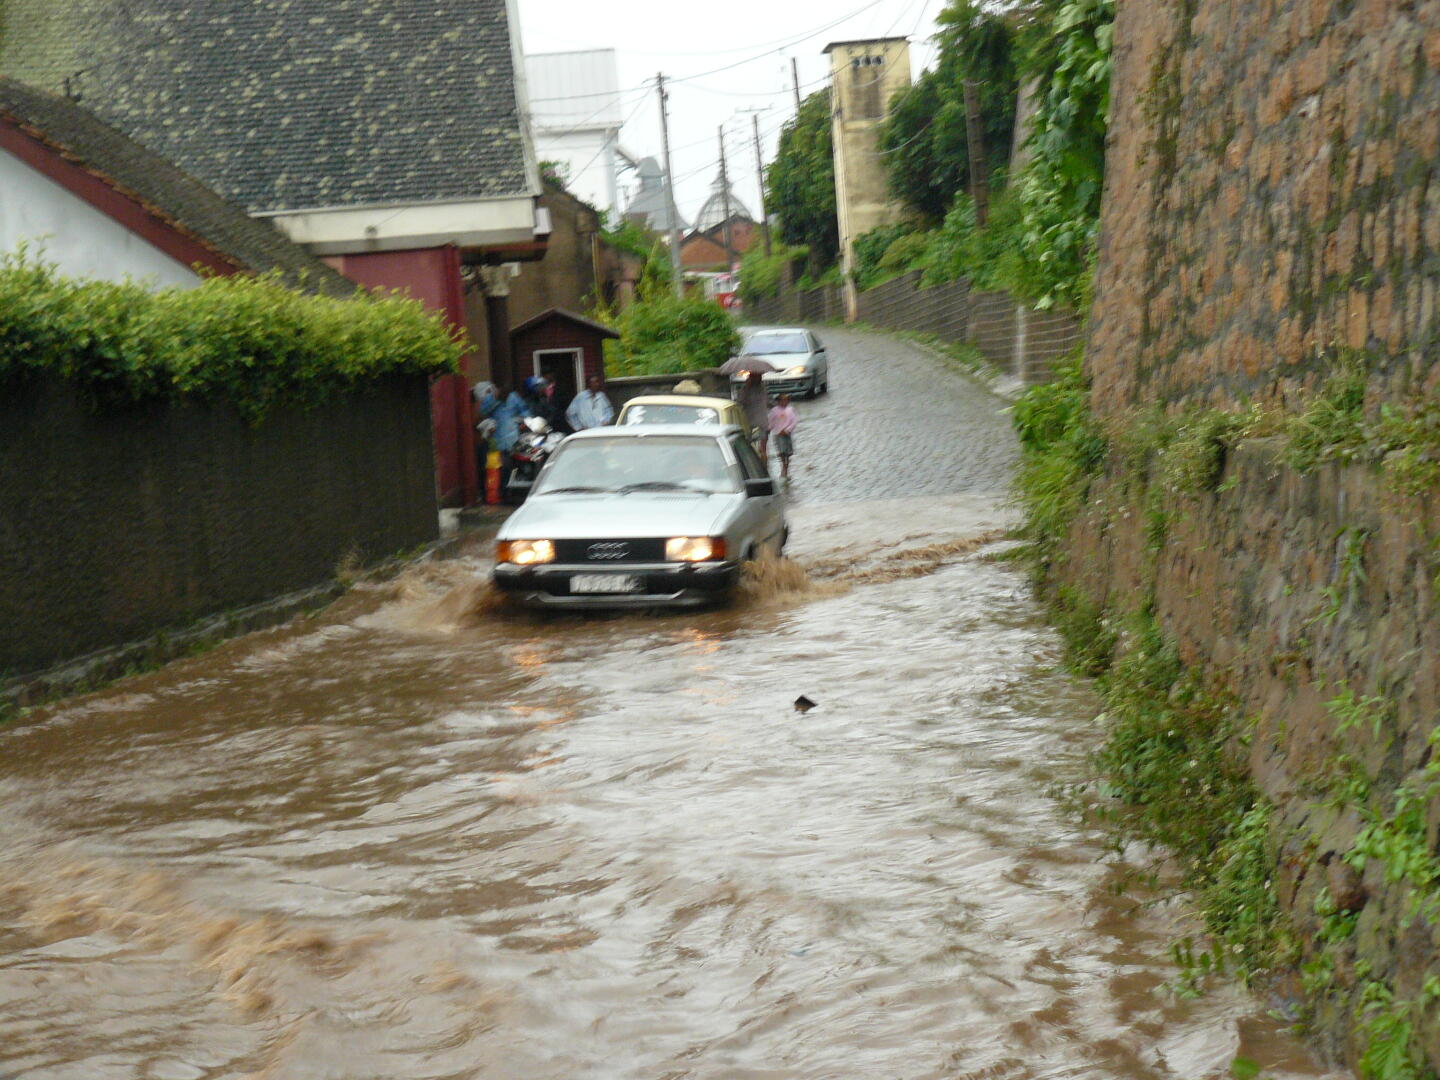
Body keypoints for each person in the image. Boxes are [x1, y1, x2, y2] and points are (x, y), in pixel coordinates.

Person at [733, 365, 770, 462]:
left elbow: (740, 402)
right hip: (754, 422)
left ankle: (763, 467)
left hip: (757, 423)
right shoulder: (753, 388)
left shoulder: (758, 388)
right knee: (758, 449)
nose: (760, 377)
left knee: (760, 449)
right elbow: (741, 402)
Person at [767, 392, 798, 479]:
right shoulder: (774, 411)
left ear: (788, 401)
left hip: (786, 435)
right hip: (777, 435)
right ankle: (783, 467)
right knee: (781, 453)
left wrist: (787, 430)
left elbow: (794, 422)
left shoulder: (790, 410)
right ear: (778, 401)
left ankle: (786, 470)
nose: (784, 402)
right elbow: (771, 422)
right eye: (782, 400)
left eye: (786, 400)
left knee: (787, 453)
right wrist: (769, 429)